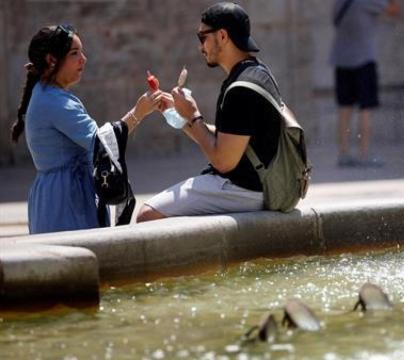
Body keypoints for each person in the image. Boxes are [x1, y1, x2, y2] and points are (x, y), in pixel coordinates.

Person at [137, 2, 283, 222]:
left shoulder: (240, 89)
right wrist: (181, 116)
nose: (200, 46)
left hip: (245, 190)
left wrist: (194, 114)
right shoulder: (257, 71)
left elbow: (223, 161)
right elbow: (232, 138)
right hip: (260, 184)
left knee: (147, 216)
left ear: (222, 36)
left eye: (202, 37)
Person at [10, 24, 162, 234]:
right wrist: (139, 111)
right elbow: (101, 143)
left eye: (82, 52)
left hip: (53, 195)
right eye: (75, 53)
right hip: (65, 201)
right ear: (51, 60)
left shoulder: (46, 93)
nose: (84, 59)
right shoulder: (54, 101)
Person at [330, 0, 399, 167]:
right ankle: (364, 154)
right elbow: (393, 11)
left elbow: (334, 20)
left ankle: (343, 153)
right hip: (363, 59)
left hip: (341, 59)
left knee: (344, 109)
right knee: (366, 108)